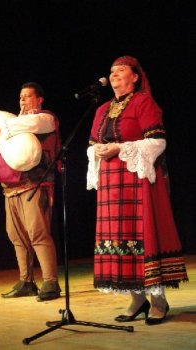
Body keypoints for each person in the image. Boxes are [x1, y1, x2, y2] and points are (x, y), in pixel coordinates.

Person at [87, 56, 188, 325]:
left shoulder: (144, 102)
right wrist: (96, 150)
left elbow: (157, 142)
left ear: (135, 77)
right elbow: (93, 143)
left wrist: (119, 148)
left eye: (121, 71)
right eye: (112, 72)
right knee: (120, 240)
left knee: (142, 237)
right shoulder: (101, 110)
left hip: (137, 181)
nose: (114, 75)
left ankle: (158, 301)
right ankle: (136, 298)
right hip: (111, 186)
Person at [0, 82, 61, 301]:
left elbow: (24, 124)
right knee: (16, 236)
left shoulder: (44, 119)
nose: (22, 100)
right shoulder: (10, 124)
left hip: (34, 184)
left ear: (39, 99)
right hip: (10, 189)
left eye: (27, 96)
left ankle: (50, 282)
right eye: (20, 96)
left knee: (38, 234)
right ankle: (26, 281)